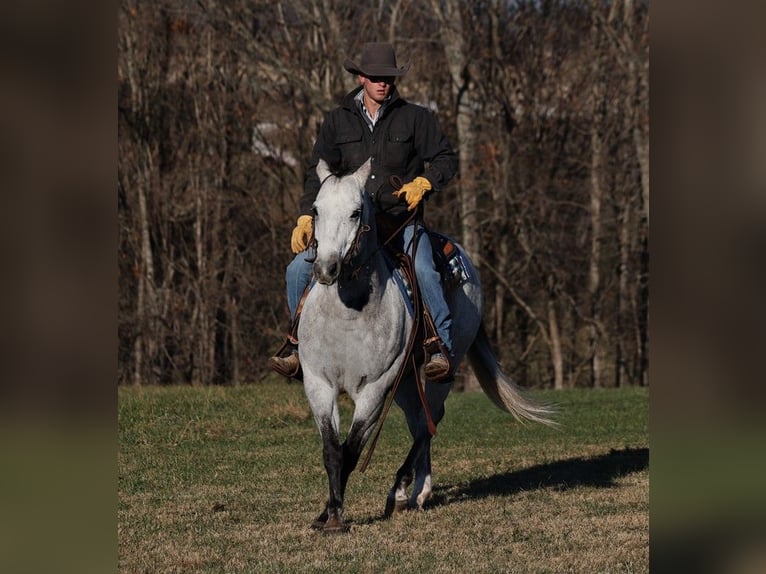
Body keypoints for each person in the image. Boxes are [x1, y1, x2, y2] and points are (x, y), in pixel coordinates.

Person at [269, 42, 458, 382]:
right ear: (360, 77)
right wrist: (305, 216)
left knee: (425, 270)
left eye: (388, 77)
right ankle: (297, 346)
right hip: (346, 225)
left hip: (399, 222)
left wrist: (425, 182)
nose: (382, 83)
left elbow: (446, 158)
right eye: (375, 77)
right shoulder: (337, 121)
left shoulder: (416, 118)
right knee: (297, 271)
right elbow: (317, 170)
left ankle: (439, 348)